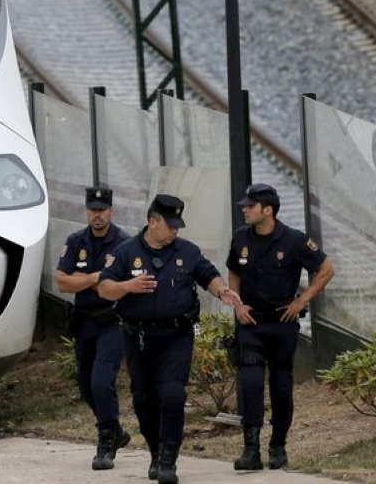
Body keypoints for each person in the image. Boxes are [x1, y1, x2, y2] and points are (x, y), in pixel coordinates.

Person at [98, 194, 242, 484]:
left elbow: (208, 275)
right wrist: (129, 286)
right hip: (137, 338)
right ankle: (155, 449)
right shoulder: (126, 253)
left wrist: (222, 291)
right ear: (153, 222)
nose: (175, 230)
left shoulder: (187, 251)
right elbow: (104, 288)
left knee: (173, 394)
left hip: (176, 335)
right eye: (170, 225)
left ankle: (168, 459)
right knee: (143, 399)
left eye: (178, 225)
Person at [226, 183, 335, 471]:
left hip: (282, 324)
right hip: (250, 322)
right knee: (249, 382)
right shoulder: (240, 238)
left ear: (268, 210)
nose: (245, 210)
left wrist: (302, 300)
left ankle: (278, 445)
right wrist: (237, 305)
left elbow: (326, 269)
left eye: (250, 206)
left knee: (281, 386)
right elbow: (234, 270)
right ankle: (250, 449)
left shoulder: (294, 241)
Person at [55, 186, 132, 471]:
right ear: (87, 210)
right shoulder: (76, 241)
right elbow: (62, 283)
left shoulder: (124, 243)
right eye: (92, 210)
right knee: (86, 385)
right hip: (84, 321)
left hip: (112, 321)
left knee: (102, 380)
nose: (97, 215)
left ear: (111, 211)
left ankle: (105, 445)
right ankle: (117, 431)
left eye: (102, 210)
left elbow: (119, 285)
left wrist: (82, 277)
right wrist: (97, 277)